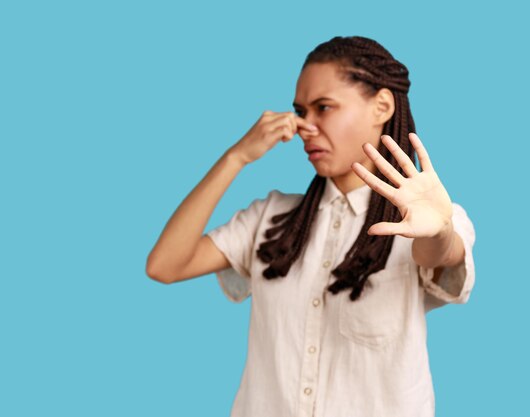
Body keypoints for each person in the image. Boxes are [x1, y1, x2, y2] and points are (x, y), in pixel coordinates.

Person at [146, 35, 476, 417]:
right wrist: (236, 157)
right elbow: (164, 266)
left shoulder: (425, 221)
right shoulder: (270, 220)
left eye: (324, 107)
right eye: (301, 111)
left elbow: (440, 254)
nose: (307, 126)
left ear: (381, 106)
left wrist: (439, 231)